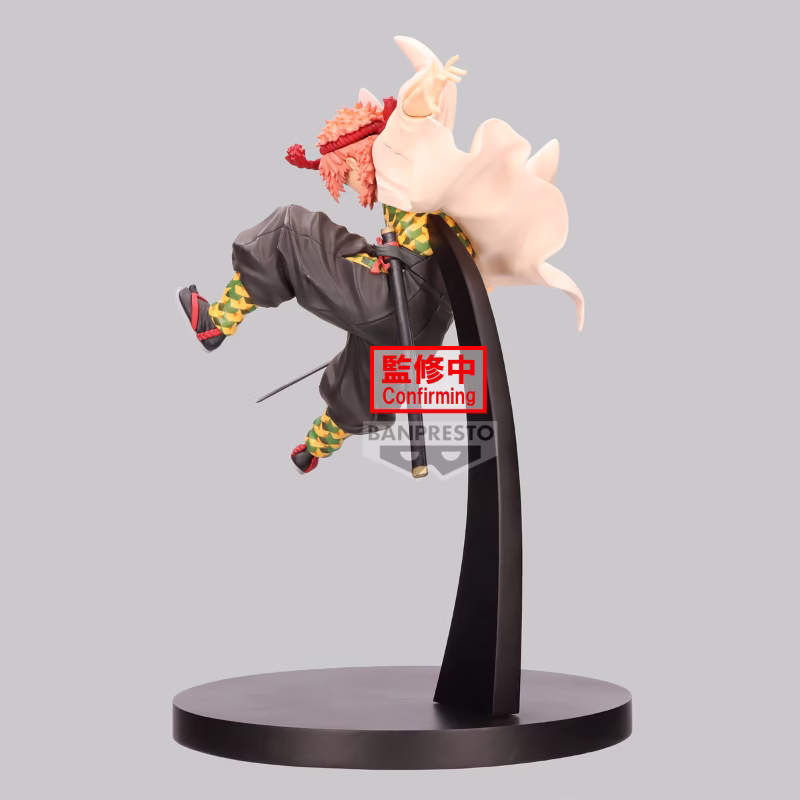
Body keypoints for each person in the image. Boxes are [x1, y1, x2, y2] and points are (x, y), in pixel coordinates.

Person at [178, 37, 583, 475]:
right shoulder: (436, 203)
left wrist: (427, 86)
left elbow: (409, 120)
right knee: (364, 378)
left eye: (346, 173)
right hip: (421, 331)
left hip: (397, 300)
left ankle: (216, 321)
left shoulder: (395, 163)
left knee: (289, 230)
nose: (353, 185)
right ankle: (312, 451)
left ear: (357, 157)